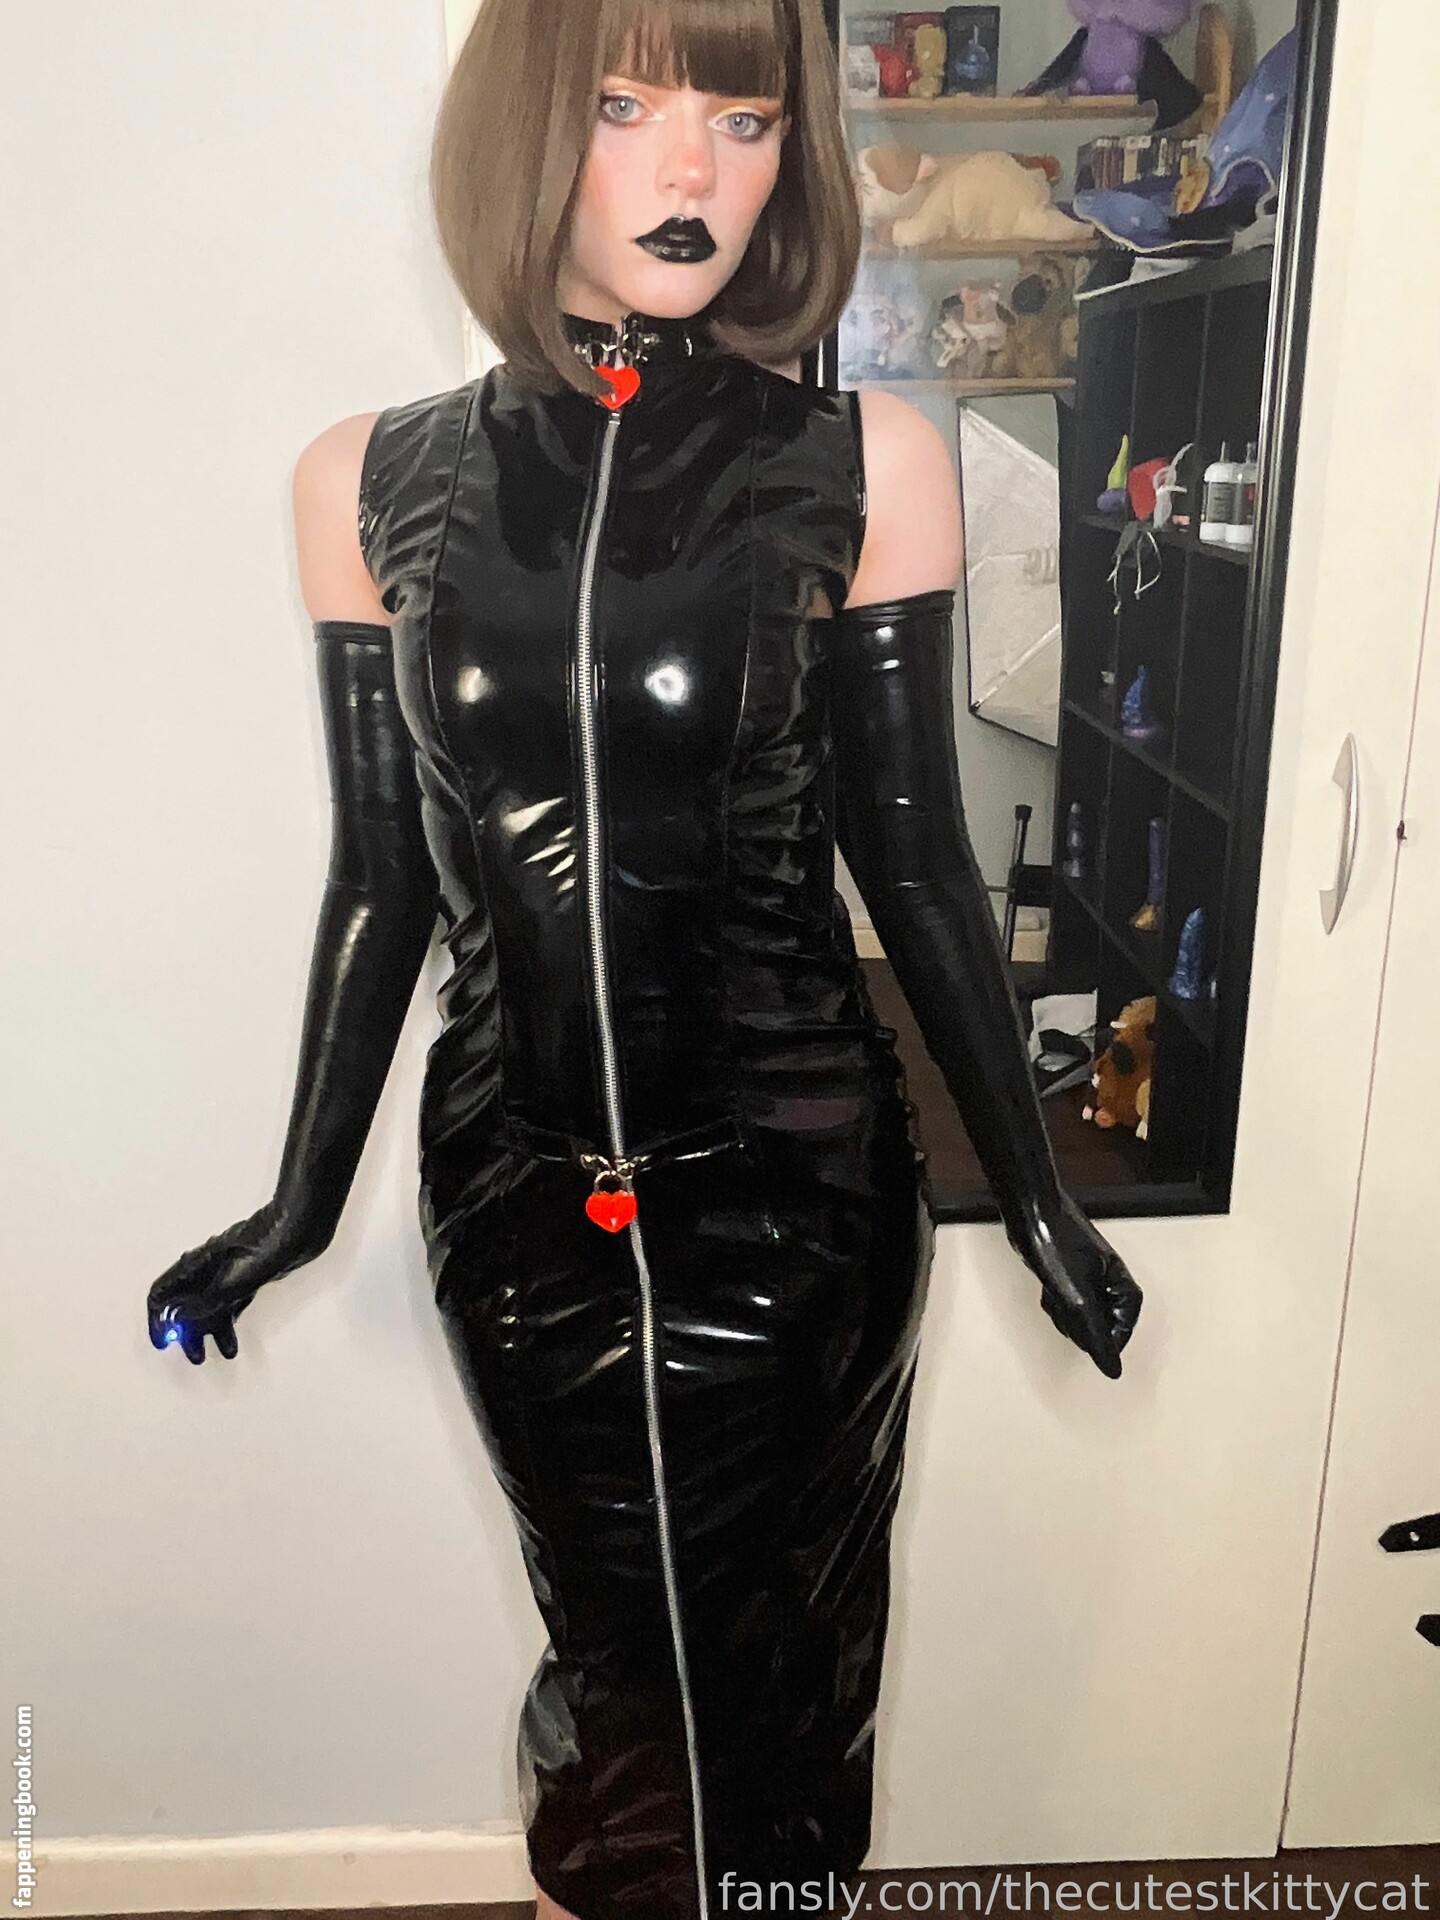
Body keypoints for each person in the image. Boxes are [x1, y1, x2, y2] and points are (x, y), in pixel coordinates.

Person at [147, 1, 1143, 1915]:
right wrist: (293, 1208)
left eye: (743, 119)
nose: (693, 170)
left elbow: (918, 869)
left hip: (800, 1207)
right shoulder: (371, 481)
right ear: (525, 134)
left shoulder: (864, 463)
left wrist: (1035, 1198)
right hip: (520, 1208)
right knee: (612, 1674)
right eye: (624, 107)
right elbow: (380, 884)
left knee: (780, 1684)